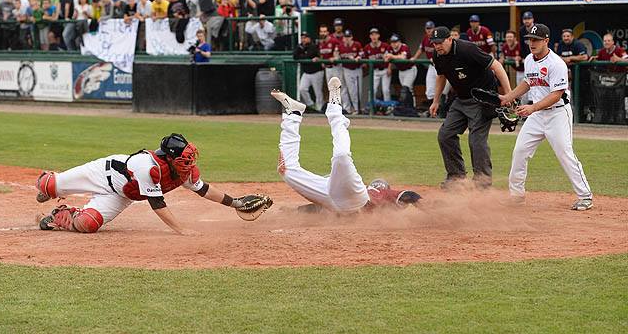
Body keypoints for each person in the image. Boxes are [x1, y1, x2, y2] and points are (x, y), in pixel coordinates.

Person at [35, 134, 263, 233]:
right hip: (100, 174)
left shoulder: (182, 171)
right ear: (170, 158)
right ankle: (52, 184)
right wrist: (181, 230)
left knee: (88, 224)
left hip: (121, 195)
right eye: (184, 160)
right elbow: (158, 204)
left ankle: (61, 215)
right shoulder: (149, 167)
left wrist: (236, 203)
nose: (188, 164)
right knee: (45, 186)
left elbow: (203, 190)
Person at [271, 78, 422, 214]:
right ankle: (335, 107)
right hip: (354, 198)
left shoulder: (379, 195)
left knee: (286, 170)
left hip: (334, 199)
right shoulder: (378, 192)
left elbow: (316, 207)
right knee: (341, 156)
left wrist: (293, 211)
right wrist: (431, 209)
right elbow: (410, 196)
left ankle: (293, 114)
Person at [499, 24, 593, 211]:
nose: (531, 43)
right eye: (529, 39)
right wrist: (508, 97)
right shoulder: (529, 59)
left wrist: (532, 107)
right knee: (520, 151)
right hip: (537, 115)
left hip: (558, 113)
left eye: (536, 40)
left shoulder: (556, 63)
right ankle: (516, 196)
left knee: (564, 154)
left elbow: (556, 95)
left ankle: (585, 196)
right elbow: (528, 82)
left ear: (546, 41)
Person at [429, 26, 512, 188]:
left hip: (482, 98)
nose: (437, 46)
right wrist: (436, 100)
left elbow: (497, 66)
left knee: (476, 141)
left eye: (439, 42)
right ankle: (456, 177)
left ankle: (483, 183)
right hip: (461, 99)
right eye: (434, 43)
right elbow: (441, 76)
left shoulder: (467, 49)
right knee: (445, 135)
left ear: (449, 39)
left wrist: (508, 94)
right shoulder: (437, 55)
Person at [385, 33, 418, 111]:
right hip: (401, 71)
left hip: (410, 70)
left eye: (395, 42)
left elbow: (403, 57)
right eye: (392, 42)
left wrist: (392, 56)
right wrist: (389, 67)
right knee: (407, 89)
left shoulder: (404, 46)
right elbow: (386, 57)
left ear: (399, 41)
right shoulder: (390, 48)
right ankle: (408, 107)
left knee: (406, 89)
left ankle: (412, 107)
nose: (393, 44)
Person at [334, 29, 364, 115]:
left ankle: (358, 108)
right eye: (345, 37)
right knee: (351, 90)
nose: (347, 39)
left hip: (357, 69)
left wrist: (358, 57)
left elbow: (362, 54)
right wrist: (336, 56)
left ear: (352, 37)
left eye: (349, 37)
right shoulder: (340, 46)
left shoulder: (357, 44)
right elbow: (336, 54)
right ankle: (353, 109)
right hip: (346, 69)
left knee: (358, 90)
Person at [413, 21, 441, 106]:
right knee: (429, 91)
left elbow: (443, 51)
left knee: (441, 90)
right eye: (427, 28)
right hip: (432, 67)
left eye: (430, 28)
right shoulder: (425, 38)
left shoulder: (438, 38)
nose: (429, 30)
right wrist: (414, 58)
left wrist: (436, 57)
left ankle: (442, 110)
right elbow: (421, 49)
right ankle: (433, 109)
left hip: (440, 66)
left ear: (434, 29)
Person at [294, 32, 324, 111]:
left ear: (309, 38)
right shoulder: (300, 46)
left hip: (316, 72)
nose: (303, 39)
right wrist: (300, 50)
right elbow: (295, 56)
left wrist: (301, 55)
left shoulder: (313, 46)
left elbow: (308, 55)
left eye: (305, 38)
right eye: (302, 38)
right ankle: (311, 104)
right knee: (302, 89)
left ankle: (319, 108)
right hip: (307, 73)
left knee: (318, 92)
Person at [363, 28, 391, 101]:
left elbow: (390, 57)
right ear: (370, 36)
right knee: (372, 90)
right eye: (372, 35)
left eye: (375, 34)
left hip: (385, 70)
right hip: (374, 71)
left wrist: (389, 68)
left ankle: (388, 108)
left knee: (386, 90)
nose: (374, 36)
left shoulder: (385, 45)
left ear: (379, 35)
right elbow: (364, 60)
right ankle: (370, 108)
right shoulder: (367, 47)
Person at [500, 30, 526, 99]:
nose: (509, 39)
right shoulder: (505, 47)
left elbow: (527, 58)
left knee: (526, 93)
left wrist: (520, 59)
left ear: (515, 38)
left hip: (526, 71)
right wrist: (501, 59)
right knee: (520, 91)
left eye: (511, 37)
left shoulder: (520, 46)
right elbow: (502, 57)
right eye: (507, 37)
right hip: (518, 71)